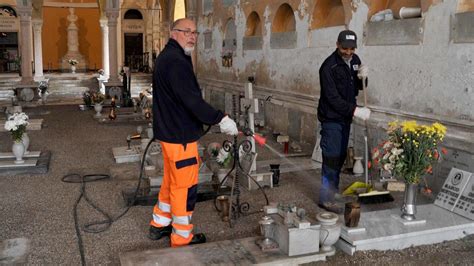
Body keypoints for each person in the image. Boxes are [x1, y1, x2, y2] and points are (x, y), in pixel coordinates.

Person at [149, 18, 238, 247]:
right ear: (173, 33)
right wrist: (221, 118)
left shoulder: (168, 56)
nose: (192, 36)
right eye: (186, 31)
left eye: (194, 32)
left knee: (171, 180)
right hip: (180, 135)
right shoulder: (177, 61)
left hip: (169, 133)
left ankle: (159, 223)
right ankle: (181, 236)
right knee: (184, 186)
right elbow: (191, 100)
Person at [317, 30, 370, 214]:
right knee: (331, 159)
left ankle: (332, 192)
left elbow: (358, 86)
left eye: (352, 48)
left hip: (345, 119)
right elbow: (332, 98)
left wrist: (363, 77)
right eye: (345, 48)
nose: (349, 52)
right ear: (337, 45)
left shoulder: (355, 61)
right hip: (331, 119)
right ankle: (326, 199)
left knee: (340, 158)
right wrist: (356, 110)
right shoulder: (328, 67)